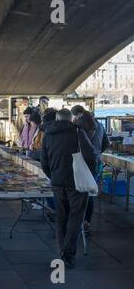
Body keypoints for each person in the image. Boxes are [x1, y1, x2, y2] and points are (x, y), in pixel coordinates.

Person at [41, 108, 97, 268]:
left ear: (57, 119)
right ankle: (68, 253)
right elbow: (91, 156)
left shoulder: (48, 135)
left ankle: (62, 249)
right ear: (71, 119)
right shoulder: (78, 133)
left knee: (61, 216)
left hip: (57, 182)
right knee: (76, 216)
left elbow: (44, 161)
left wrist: (53, 176)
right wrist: (89, 175)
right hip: (77, 182)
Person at [73, 107, 110, 233]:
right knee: (90, 192)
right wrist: (98, 152)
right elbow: (106, 143)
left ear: (77, 115)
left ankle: (79, 220)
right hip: (97, 163)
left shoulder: (80, 127)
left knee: (80, 192)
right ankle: (87, 221)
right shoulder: (100, 125)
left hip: (83, 162)